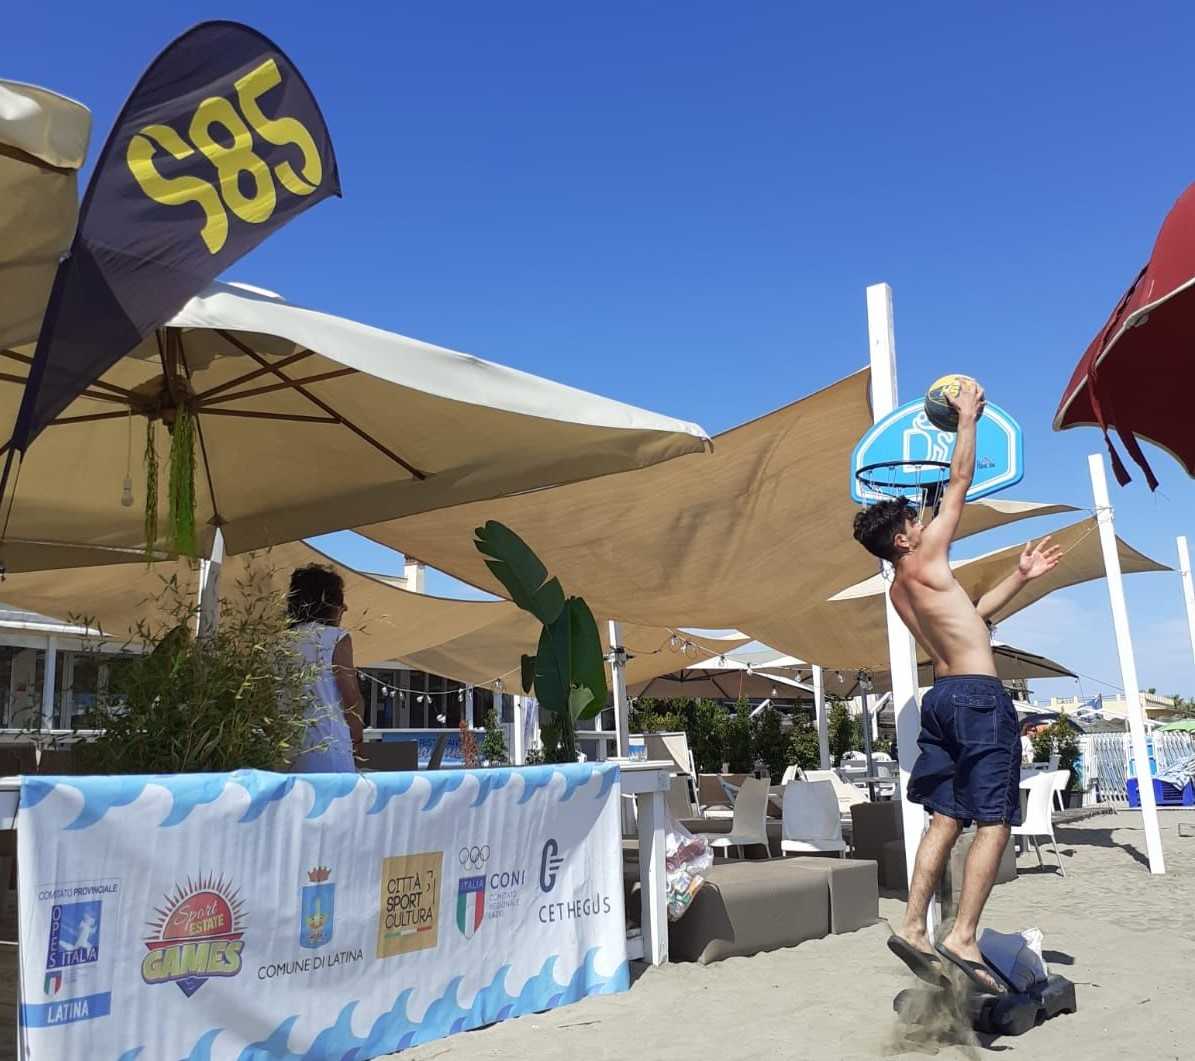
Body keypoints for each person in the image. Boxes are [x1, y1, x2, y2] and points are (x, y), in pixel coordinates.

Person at [852, 379, 1062, 995]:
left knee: (945, 817)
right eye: (914, 520)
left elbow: (974, 619)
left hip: (941, 699)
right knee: (994, 820)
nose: (923, 520)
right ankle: (964, 935)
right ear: (901, 540)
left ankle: (914, 926)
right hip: (977, 698)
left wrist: (1020, 576)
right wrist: (966, 418)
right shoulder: (924, 555)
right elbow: (961, 480)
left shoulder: (900, 590)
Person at [288, 564, 365, 772]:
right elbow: (351, 699)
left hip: (285, 753)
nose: (345, 607)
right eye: (340, 600)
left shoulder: (276, 643)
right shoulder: (335, 638)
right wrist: (358, 743)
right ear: (328, 603)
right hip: (329, 750)